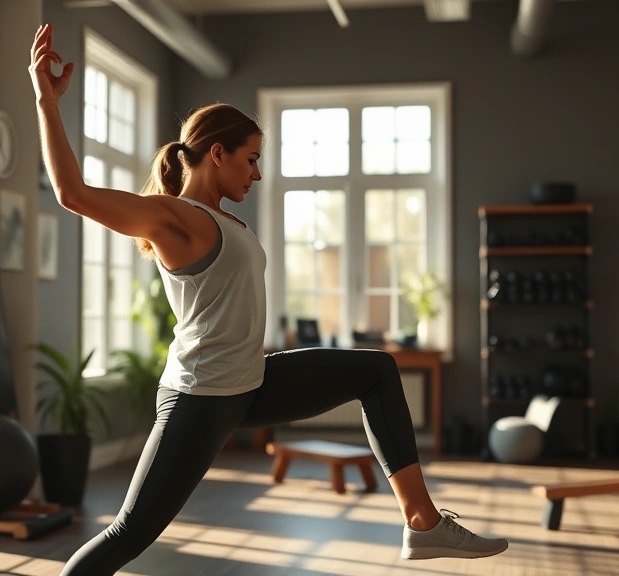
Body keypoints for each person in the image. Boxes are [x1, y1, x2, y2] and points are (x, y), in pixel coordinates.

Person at [29, 23, 508, 575]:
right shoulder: (176, 217)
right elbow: (73, 194)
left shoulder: (221, 217)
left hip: (249, 382)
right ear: (217, 153)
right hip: (202, 395)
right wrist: (47, 102)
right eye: (251, 159)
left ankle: (422, 522)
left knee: (375, 370)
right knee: (129, 533)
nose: (257, 172)